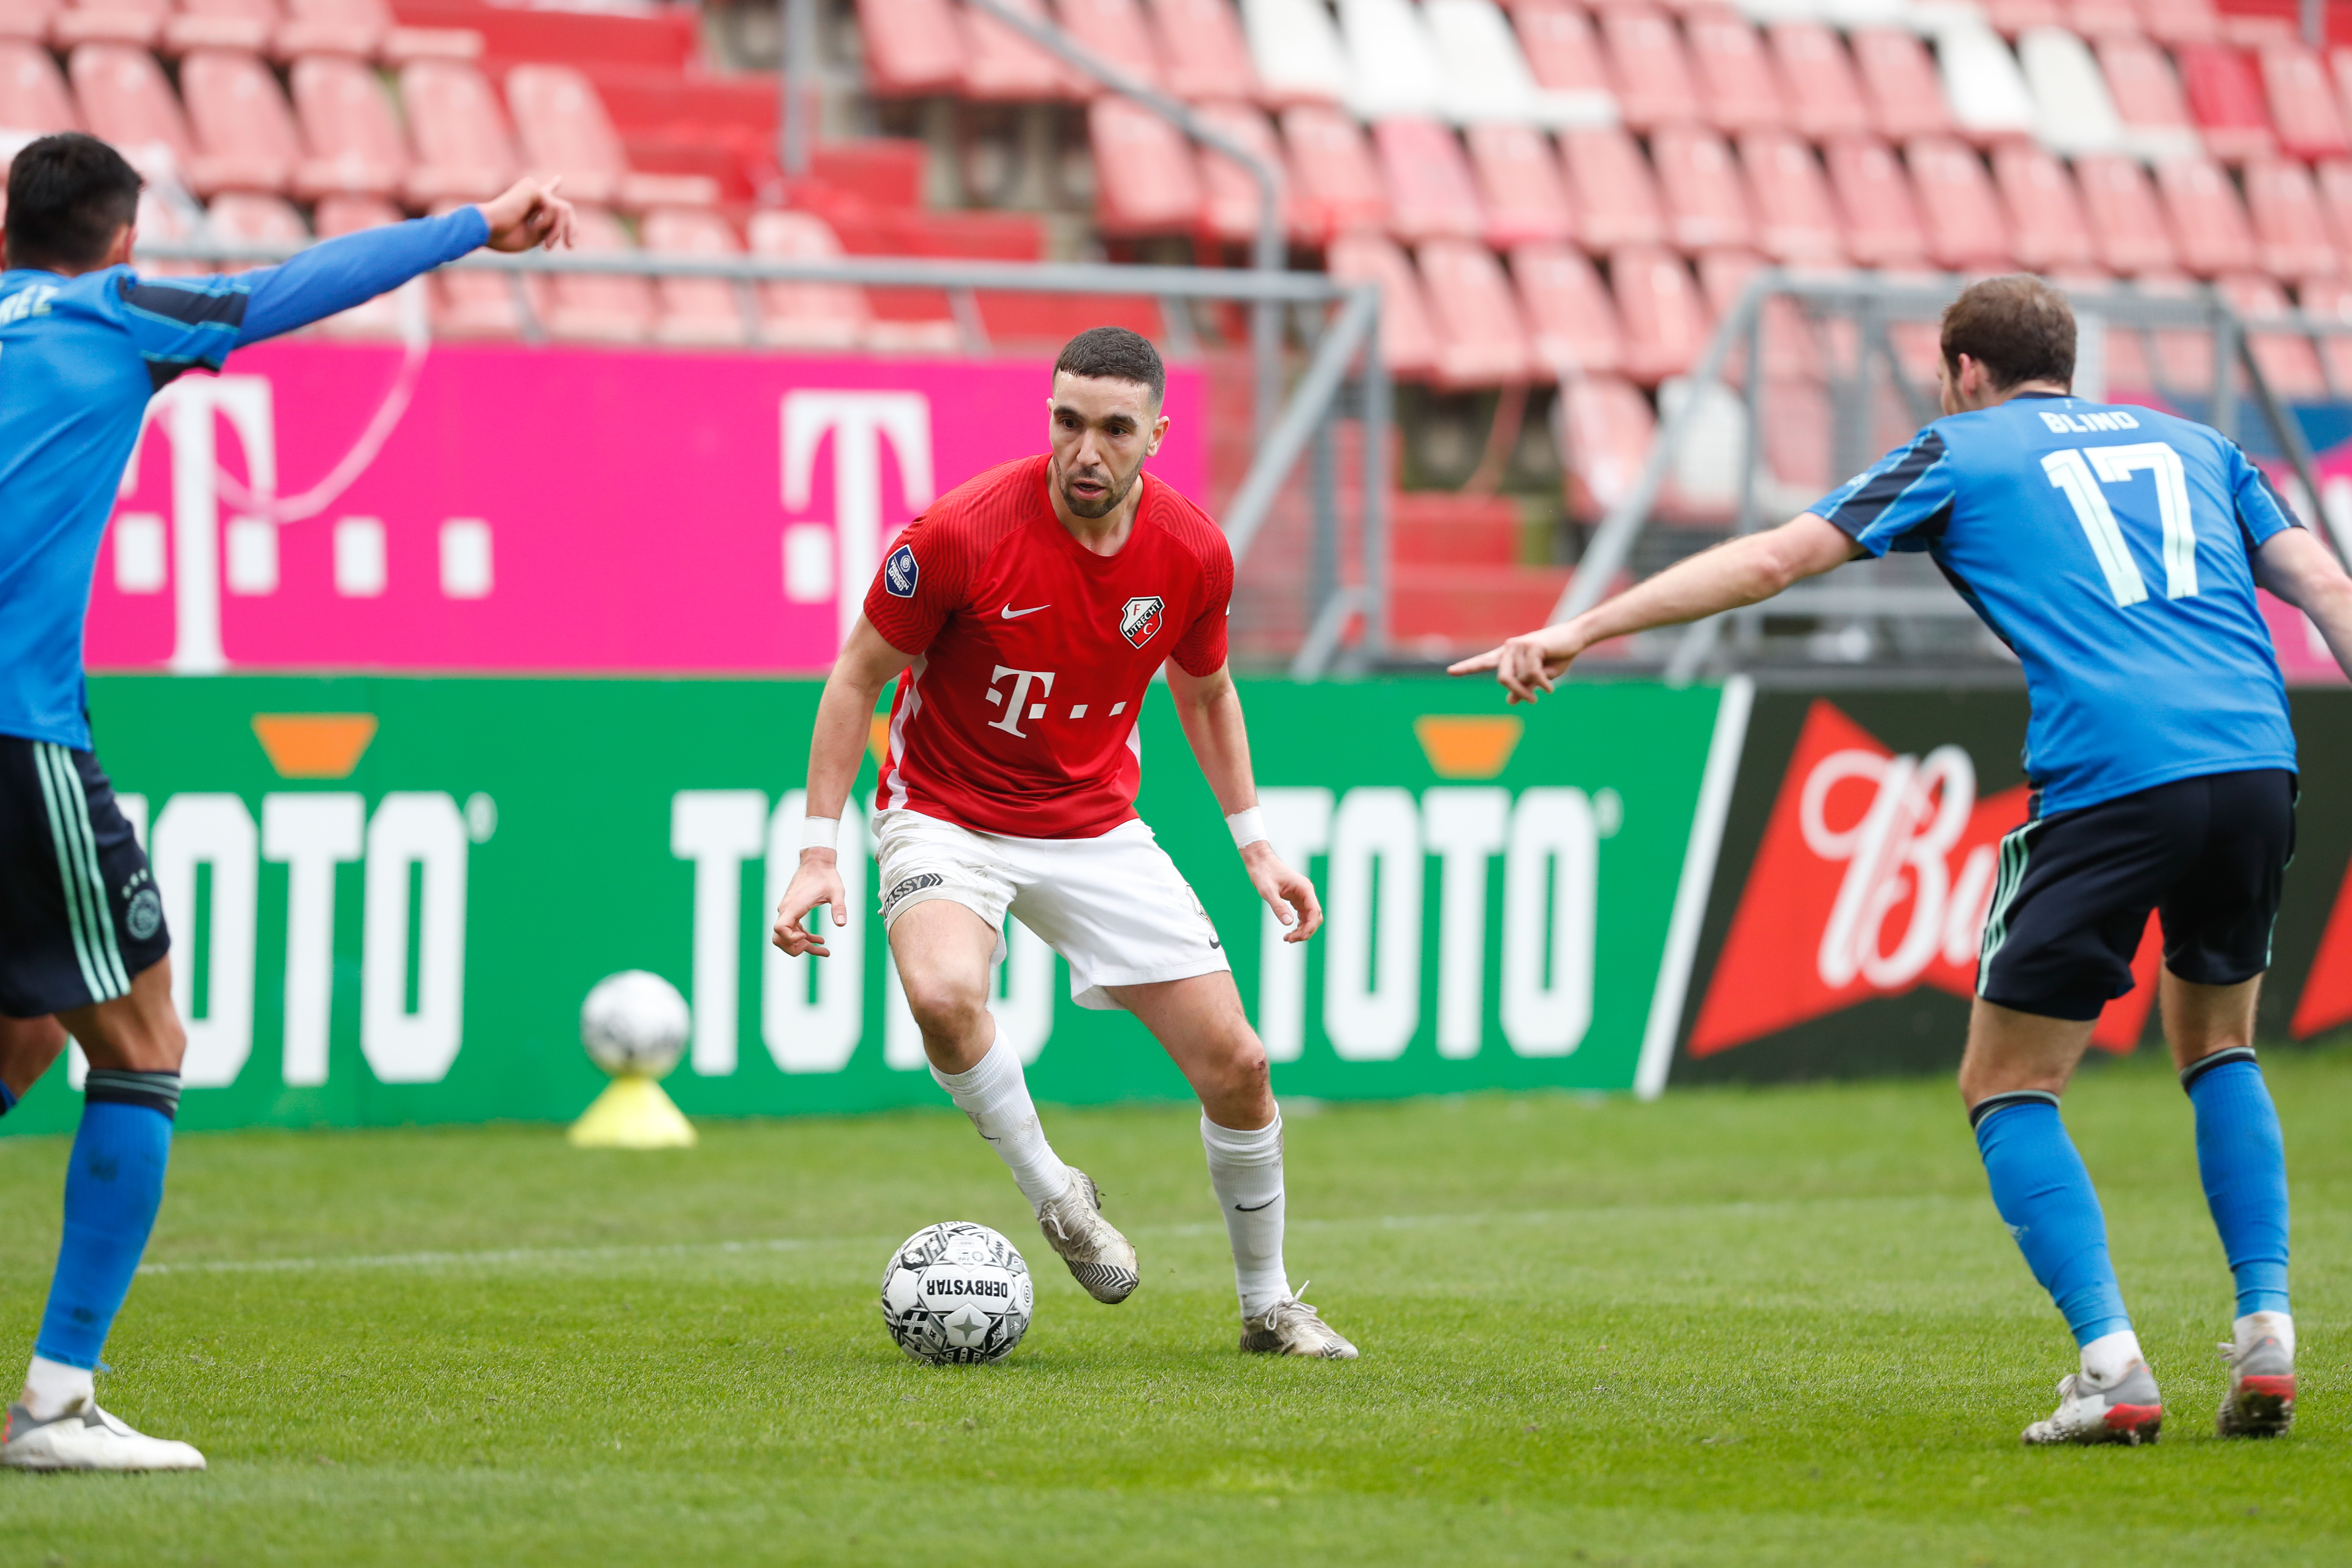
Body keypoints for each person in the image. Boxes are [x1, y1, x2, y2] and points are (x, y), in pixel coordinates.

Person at [1453, 274, 2352, 1446]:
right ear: (2068, 361)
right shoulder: (2202, 446)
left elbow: (1776, 560)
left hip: (2115, 774)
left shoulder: (1962, 449)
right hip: (2256, 761)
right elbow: (2327, 588)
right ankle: (2268, 1330)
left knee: (2010, 1084)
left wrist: (1579, 628)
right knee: (2221, 1044)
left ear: (1961, 368)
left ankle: (2113, 1364)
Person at [0, 132, 576, 1471]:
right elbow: (292, 289)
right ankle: (57, 1405)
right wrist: (474, 224)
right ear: (126, 238)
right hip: (17, 732)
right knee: (141, 1043)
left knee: (24, 1039)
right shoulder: (114, 313)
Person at [772, 327, 1355, 1360]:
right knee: (947, 1001)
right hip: (946, 808)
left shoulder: (1192, 552)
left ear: (1157, 435)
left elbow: (1207, 689)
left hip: (1095, 828)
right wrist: (820, 849)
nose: (1087, 452)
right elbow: (855, 676)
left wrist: (1255, 843)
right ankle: (1057, 1196)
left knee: (1242, 1068)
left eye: (1115, 430)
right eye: (1068, 422)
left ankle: (1268, 1307)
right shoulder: (958, 534)